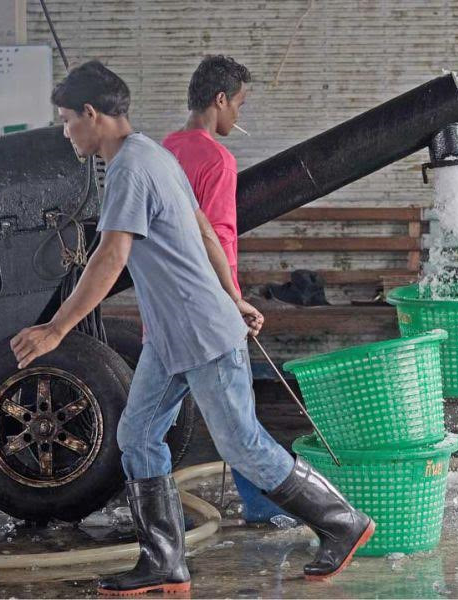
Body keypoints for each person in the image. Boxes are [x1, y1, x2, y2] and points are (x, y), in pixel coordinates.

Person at [10, 60, 374, 596]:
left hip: (200, 331)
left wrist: (57, 330)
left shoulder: (133, 170)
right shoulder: (152, 154)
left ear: (92, 114)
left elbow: (111, 256)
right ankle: (164, 561)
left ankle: (342, 521)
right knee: (137, 436)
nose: (66, 131)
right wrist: (233, 295)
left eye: (67, 119)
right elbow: (203, 229)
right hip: (173, 335)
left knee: (242, 445)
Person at [163, 55, 293, 525]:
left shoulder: (163, 151)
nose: (238, 116)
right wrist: (235, 300)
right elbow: (217, 238)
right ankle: (316, 510)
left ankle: (161, 527)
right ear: (219, 100)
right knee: (241, 427)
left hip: (166, 314)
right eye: (238, 104)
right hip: (210, 312)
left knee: (145, 433)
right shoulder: (217, 158)